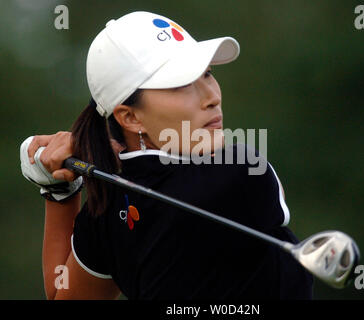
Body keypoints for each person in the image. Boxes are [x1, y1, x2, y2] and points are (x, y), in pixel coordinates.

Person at [20, 11, 313, 300]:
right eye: (182, 85)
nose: (211, 97)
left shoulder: (106, 207)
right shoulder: (239, 170)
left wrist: (59, 191)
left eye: (207, 73)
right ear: (130, 117)